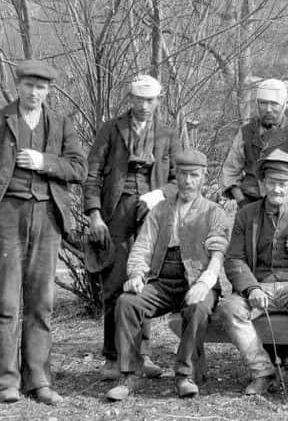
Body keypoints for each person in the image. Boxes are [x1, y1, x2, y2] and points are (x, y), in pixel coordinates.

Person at [0, 60, 87, 404]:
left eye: (42, 87)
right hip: (7, 221)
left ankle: (39, 380)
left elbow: (79, 168)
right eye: (29, 86)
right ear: (18, 86)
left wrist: (45, 162)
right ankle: (7, 382)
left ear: (49, 91)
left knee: (42, 304)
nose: (35, 93)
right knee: (6, 303)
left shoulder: (61, 124)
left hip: (47, 219)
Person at [105, 149, 229, 400]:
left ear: (203, 177)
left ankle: (185, 375)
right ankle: (131, 374)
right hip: (162, 279)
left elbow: (217, 255)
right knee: (127, 302)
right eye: (183, 174)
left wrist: (204, 283)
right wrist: (137, 274)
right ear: (177, 176)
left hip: (198, 279)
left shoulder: (213, 211)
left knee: (197, 307)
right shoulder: (160, 210)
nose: (188, 181)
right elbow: (143, 246)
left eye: (194, 175)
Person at [84, 74, 180, 380]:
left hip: (152, 212)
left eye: (150, 100)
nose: (144, 105)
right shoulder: (112, 129)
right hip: (117, 212)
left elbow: (182, 178)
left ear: (158, 101)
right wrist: (95, 215)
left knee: (146, 279)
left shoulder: (167, 134)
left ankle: (142, 355)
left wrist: (160, 194)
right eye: (138, 99)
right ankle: (113, 357)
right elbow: (93, 174)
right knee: (114, 283)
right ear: (131, 99)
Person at [218, 149, 288, 402]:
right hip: (259, 286)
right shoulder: (246, 215)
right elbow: (234, 257)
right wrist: (251, 288)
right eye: (272, 183)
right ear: (262, 184)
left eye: (284, 184)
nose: (277, 189)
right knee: (229, 309)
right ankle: (263, 372)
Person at [221, 78, 288, 206]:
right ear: (257, 104)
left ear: (283, 105)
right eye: (263, 103)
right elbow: (230, 172)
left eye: (274, 104)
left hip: (287, 205)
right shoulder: (245, 132)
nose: (268, 109)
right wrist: (242, 201)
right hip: (251, 203)